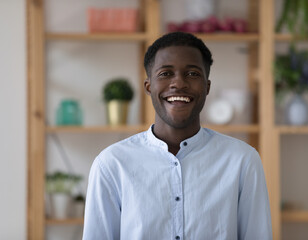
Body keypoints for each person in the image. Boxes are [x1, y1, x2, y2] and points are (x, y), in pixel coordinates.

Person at [83, 32, 272, 240]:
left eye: (192, 74)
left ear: (207, 87)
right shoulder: (111, 164)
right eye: (165, 74)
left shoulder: (242, 160)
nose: (179, 83)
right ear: (149, 86)